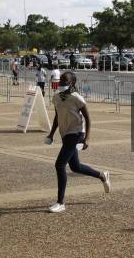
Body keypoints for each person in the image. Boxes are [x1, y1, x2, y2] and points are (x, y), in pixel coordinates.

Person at [46, 71, 110, 213]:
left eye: (64, 81)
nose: (61, 83)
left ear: (72, 83)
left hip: (76, 134)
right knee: (75, 167)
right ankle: (102, 176)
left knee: (59, 165)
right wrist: (51, 133)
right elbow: (57, 116)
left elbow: (88, 118)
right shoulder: (56, 97)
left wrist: (87, 138)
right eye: (60, 81)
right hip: (65, 134)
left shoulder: (77, 98)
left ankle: (60, 202)